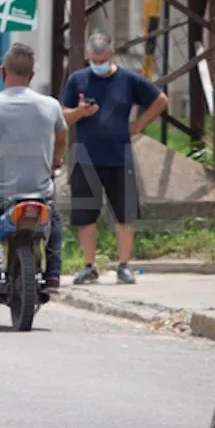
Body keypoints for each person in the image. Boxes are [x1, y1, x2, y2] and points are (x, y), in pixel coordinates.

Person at [0, 42, 66, 299]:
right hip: (39, 192)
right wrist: (56, 160)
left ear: (3, 72)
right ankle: (52, 274)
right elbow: (61, 136)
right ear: (32, 75)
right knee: (55, 219)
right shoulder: (51, 106)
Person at [61, 32, 168, 285]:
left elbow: (160, 100)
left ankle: (124, 265)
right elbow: (63, 116)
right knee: (85, 216)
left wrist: (139, 124)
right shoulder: (78, 80)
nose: (97, 63)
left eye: (102, 58)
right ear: (88, 57)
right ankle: (89, 266)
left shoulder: (128, 80)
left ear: (111, 55)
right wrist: (80, 112)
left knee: (125, 214)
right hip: (85, 156)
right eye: (93, 59)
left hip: (119, 156)